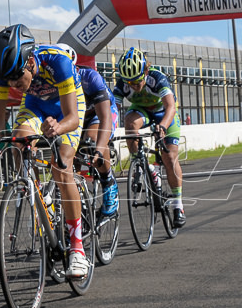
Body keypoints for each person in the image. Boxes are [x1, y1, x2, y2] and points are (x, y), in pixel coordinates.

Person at [0, 24, 89, 279]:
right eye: (8, 81)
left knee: (61, 163)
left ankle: (77, 248)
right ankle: (33, 191)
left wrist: (58, 127)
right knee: (19, 138)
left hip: (66, 109)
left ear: (30, 61)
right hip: (36, 107)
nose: (13, 85)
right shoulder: (3, 74)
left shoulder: (59, 62)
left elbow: (73, 117)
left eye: (17, 78)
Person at [114, 47, 186, 229]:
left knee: (169, 157)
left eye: (137, 82)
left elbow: (170, 107)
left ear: (145, 71)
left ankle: (178, 204)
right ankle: (140, 163)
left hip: (164, 113)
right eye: (129, 83)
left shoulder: (157, 78)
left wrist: (162, 126)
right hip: (143, 111)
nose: (133, 86)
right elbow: (112, 109)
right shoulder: (122, 82)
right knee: (129, 122)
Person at [77, 63, 120, 217]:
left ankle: (108, 182)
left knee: (92, 139)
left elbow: (105, 118)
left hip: (102, 112)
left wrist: (99, 149)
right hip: (80, 118)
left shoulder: (89, 77)